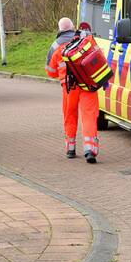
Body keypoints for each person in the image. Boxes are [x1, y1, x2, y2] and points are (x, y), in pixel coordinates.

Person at [46, 18, 100, 163]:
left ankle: (70, 148)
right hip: (88, 84)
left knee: (70, 115)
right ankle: (90, 149)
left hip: (69, 87)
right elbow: (98, 57)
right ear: (73, 27)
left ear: (59, 30)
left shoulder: (56, 45)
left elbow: (50, 71)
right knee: (89, 115)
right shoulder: (86, 37)